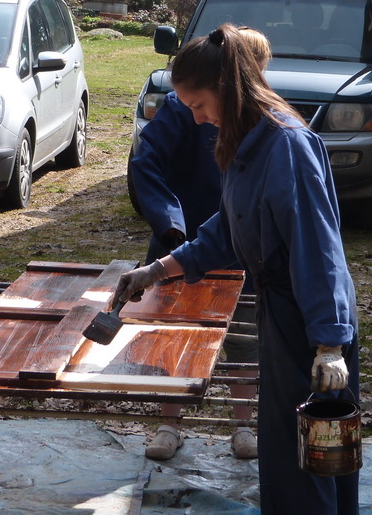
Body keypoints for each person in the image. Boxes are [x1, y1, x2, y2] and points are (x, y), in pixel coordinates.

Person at [114, 23, 359, 514]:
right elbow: (227, 230)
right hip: (280, 310)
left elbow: (318, 248)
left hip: (309, 318)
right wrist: (157, 270)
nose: (197, 118)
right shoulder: (242, 142)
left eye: (200, 105)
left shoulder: (286, 145)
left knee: (313, 451)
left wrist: (330, 342)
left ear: (227, 88)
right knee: (283, 445)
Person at [129, 27, 270, 461]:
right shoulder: (181, 109)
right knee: (174, 337)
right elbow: (145, 164)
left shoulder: (267, 126)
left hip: (241, 251)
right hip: (181, 244)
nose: (202, 117)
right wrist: (171, 225)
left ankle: (243, 425)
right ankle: (169, 423)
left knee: (245, 339)